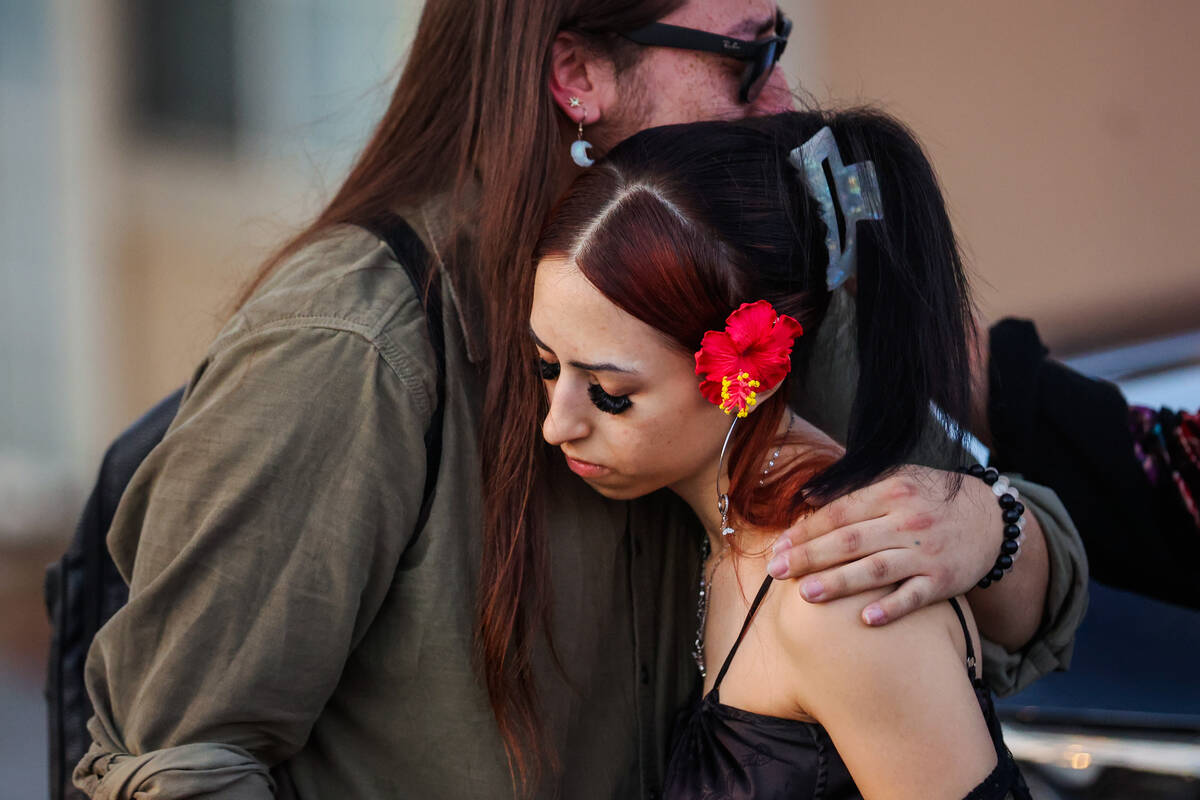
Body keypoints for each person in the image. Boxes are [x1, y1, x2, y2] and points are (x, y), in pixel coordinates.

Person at [74, 1, 1085, 798]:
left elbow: (1037, 592)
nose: (780, 97)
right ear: (577, 75)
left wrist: (984, 528)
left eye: (783, 44)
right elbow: (175, 757)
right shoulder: (355, 345)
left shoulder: (764, 302)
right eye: (745, 53)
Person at [528, 109, 1030, 798]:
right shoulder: (735, 530)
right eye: (545, 367)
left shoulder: (836, 593)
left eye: (610, 392)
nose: (558, 425)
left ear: (748, 370)